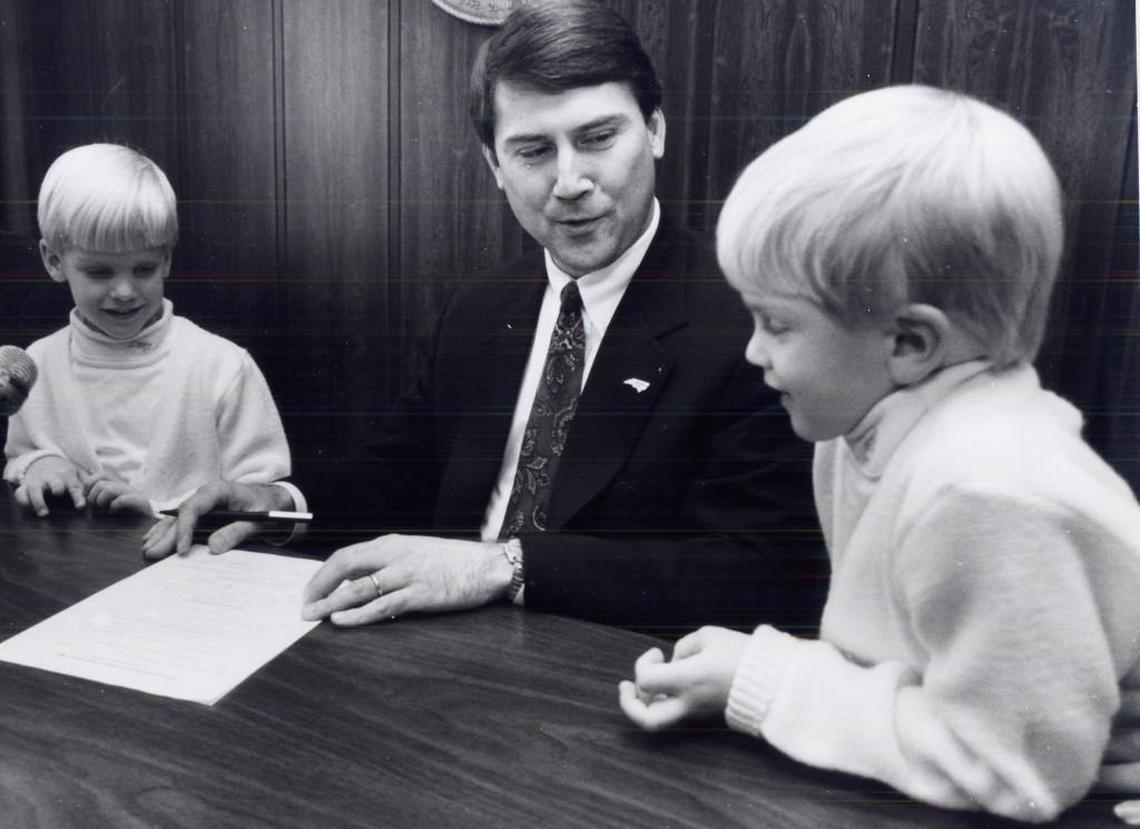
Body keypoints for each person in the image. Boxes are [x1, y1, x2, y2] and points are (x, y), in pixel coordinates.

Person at [146, 0, 818, 634]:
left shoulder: (748, 324)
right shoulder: (478, 308)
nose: (570, 180)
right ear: (496, 166)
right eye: (533, 151)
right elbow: (399, 473)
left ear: (656, 131)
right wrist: (278, 502)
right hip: (445, 660)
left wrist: (505, 566)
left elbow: (754, 574)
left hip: (615, 680)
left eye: (597, 137)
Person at [618, 85, 1140, 822]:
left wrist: (765, 683)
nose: (752, 352)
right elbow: (907, 673)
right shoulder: (860, 431)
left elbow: (1014, 768)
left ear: (908, 343)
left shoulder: (988, 486)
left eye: (777, 324)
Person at [4, 143, 292, 517]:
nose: (124, 292)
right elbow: (20, 455)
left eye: (144, 269)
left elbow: (262, 497)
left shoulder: (223, 366)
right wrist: (39, 464)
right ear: (54, 261)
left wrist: (161, 512)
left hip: (192, 565)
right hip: (73, 570)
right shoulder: (36, 362)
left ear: (167, 260)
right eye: (99, 272)